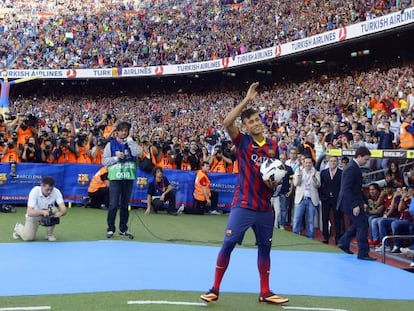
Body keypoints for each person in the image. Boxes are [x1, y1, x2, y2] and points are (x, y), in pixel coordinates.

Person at [200, 82, 289, 305]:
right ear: (246, 127)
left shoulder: (272, 145)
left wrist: (274, 182)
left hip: (264, 208)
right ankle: (214, 289)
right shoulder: (242, 142)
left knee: (265, 249)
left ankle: (265, 292)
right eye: (250, 122)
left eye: (257, 119)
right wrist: (247, 101)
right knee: (228, 244)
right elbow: (227, 122)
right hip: (243, 205)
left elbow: (272, 176)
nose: (255, 123)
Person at [337, 146, 376, 261]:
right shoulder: (351, 168)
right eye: (366, 159)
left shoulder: (353, 167)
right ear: (359, 156)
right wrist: (355, 205)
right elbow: (347, 189)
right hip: (351, 202)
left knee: (357, 224)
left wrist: (365, 199)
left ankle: (343, 243)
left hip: (353, 201)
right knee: (362, 225)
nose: (367, 161)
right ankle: (363, 253)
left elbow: (357, 188)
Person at [102, 121, 140, 239]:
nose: (124, 132)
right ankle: (110, 228)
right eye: (122, 130)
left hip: (128, 177)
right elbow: (104, 161)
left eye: (126, 130)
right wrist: (116, 157)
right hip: (115, 177)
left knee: (125, 204)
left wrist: (130, 141)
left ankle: (123, 229)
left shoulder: (131, 143)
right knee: (113, 204)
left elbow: (137, 153)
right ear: (117, 132)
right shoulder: (111, 145)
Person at [12, 176, 67, 241]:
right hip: (34, 215)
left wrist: (60, 213)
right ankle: (18, 228)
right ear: (42, 186)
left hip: (48, 213)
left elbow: (64, 209)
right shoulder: (34, 191)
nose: (49, 192)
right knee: (28, 238)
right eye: (47, 189)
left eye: (51, 189)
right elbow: (29, 212)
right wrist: (42, 212)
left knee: (55, 210)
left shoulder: (56, 191)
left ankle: (49, 234)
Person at [292, 157, 321, 239]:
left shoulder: (316, 172)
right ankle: (295, 236)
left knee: (310, 221)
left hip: (311, 199)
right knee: (297, 219)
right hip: (300, 199)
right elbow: (295, 184)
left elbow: (318, 185)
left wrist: (314, 178)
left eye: (309, 163)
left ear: (312, 163)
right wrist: (299, 176)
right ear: (303, 163)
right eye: (306, 163)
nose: (308, 164)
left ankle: (310, 237)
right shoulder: (298, 171)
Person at [319, 156, 343, 244]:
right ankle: (325, 237)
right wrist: (321, 197)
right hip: (326, 199)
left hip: (337, 199)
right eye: (331, 161)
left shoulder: (341, 173)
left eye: (334, 161)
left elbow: (342, 187)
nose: (333, 162)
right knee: (325, 218)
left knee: (337, 219)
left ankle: (338, 238)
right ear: (328, 162)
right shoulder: (324, 173)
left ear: (337, 162)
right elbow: (320, 186)